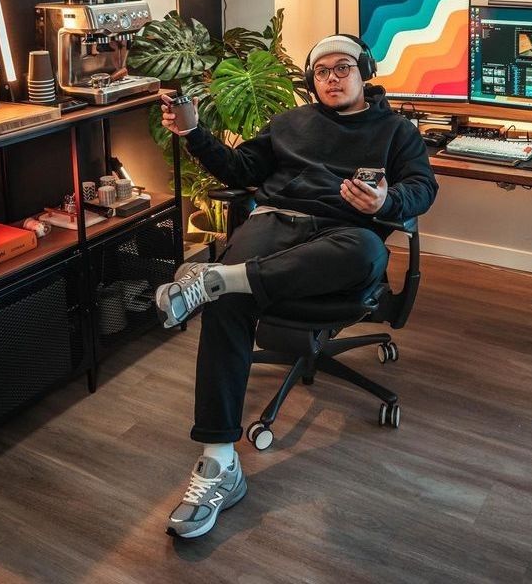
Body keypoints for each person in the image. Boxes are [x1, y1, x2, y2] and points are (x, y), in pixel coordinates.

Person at [155, 33, 438, 538]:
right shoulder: (288, 124)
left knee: (368, 249)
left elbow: (422, 189)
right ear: (312, 81)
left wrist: (385, 203)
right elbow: (241, 169)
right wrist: (194, 131)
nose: (333, 77)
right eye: (322, 70)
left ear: (364, 71)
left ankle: (223, 279)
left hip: (343, 238)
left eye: (343, 67)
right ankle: (220, 462)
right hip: (275, 225)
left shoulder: (397, 131)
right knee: (226, 307)